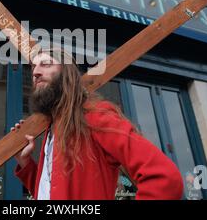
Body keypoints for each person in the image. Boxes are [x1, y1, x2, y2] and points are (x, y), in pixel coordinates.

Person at [11, 48, 184, 200]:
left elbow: (164, 178)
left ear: (66, 72)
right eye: (34, 67)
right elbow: (51, 192)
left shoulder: (95, 117)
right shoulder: (51, 129)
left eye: (46, 64)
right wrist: (25, 162)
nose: (35, 72)